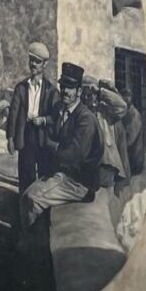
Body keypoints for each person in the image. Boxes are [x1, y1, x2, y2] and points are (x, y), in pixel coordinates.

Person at [21, 63, 103, 225]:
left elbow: (73, 156)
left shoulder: (86, 119)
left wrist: (51, 145)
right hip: (62, 174)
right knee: (26, 195)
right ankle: (32, 234)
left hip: (78, 182)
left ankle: (33, 240)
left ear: (79, 92)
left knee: (32, 198)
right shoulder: (61, 110)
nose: (65, 91)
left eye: (70, 87)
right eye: (63, 86)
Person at [6, 41, 61, 196]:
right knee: (26, 173)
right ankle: (24, 206)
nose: (33, 64)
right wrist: (10, 138)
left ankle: (41, 206)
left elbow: (57, 116)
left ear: (45, 64)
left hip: (44, 135)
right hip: (26, 134)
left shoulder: (51, 91)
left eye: (37, 61)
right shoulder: (21, 87)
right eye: (31, 60)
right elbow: (13, 114)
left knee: (44, 174)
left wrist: (43, 120)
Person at [82, 76, 129, 189]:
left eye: (90, 95)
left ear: (96, 95)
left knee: (102, 194)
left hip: (105, 164)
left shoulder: (104, 110)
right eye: (84, 95)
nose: (86, 98)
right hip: (86, 163)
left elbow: (122, 106)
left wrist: (100, 91)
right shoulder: (81, 112)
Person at [116, 76, 145, 176]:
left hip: (133, 162)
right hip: (127, 156)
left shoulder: (135, 115)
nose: (125, 98)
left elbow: (129, 140)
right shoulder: (123, 112)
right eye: (123, 95)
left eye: (127, 95)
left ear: (131, 98)